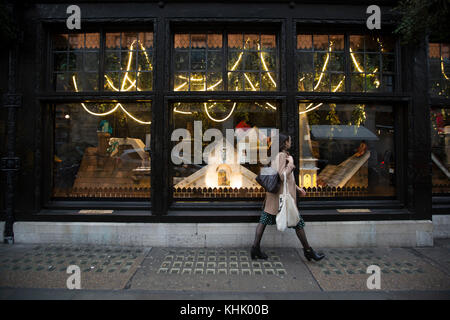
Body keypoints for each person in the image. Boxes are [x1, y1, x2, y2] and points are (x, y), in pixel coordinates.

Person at [251, 132, 325, 262]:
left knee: (264, 221)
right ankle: (308, 251)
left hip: (275, 197)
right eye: (289, 140)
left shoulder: (278, 155)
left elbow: (287, 179)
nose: (290, 142)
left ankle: (255, 249)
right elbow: (282, 175)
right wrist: (291, 164)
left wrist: (297, 188)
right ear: (284, 143)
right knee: (297, 222)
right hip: (281, 198)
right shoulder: (282, 156)